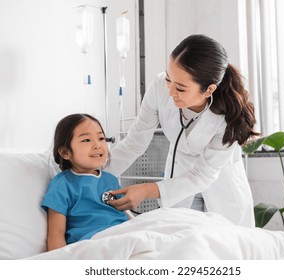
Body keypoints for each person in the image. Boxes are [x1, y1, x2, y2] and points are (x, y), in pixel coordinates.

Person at [105, 34, 259, 227]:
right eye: (169, 79)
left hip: (222, 185)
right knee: (182, 244)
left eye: (181, 88)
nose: (170, 92)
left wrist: (146, 190)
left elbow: (203, 175)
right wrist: (97, 172)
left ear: (209, 90)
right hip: (179, 179)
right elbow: (134, 142)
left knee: (224, 248)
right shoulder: (159, 88)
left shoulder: (229, 118)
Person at [41, 114, 128, 251]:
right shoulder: (62, 185)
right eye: (87, 140)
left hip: (124, 234)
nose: (97, 145)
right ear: (65, 152)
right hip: (94, 243)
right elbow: (56, 233)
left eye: (101, 138)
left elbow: (126, 215)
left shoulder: (110, 179)